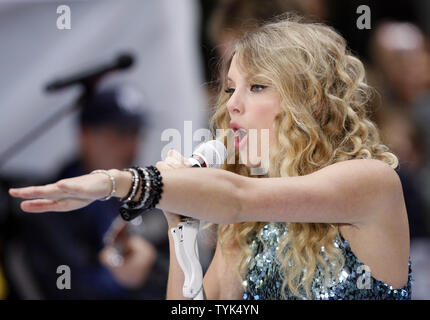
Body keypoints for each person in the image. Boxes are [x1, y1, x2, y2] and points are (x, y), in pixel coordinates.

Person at [9, 16, 412, 300]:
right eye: (229, 88)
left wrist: (116, 182)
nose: (232, 105)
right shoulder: (243, 223)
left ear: (314, 102)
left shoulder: (371, 182)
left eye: (256, 87)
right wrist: (178, 225)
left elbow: (237, 197)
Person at [4, 84, 169, 299]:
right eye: (119, 134)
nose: (131, 147)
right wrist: (126, 277)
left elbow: (188, 275)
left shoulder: (147, 197)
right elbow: (65, 286)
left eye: (136, 134)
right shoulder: (48, 206)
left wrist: (150, 265)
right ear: (86, 135)